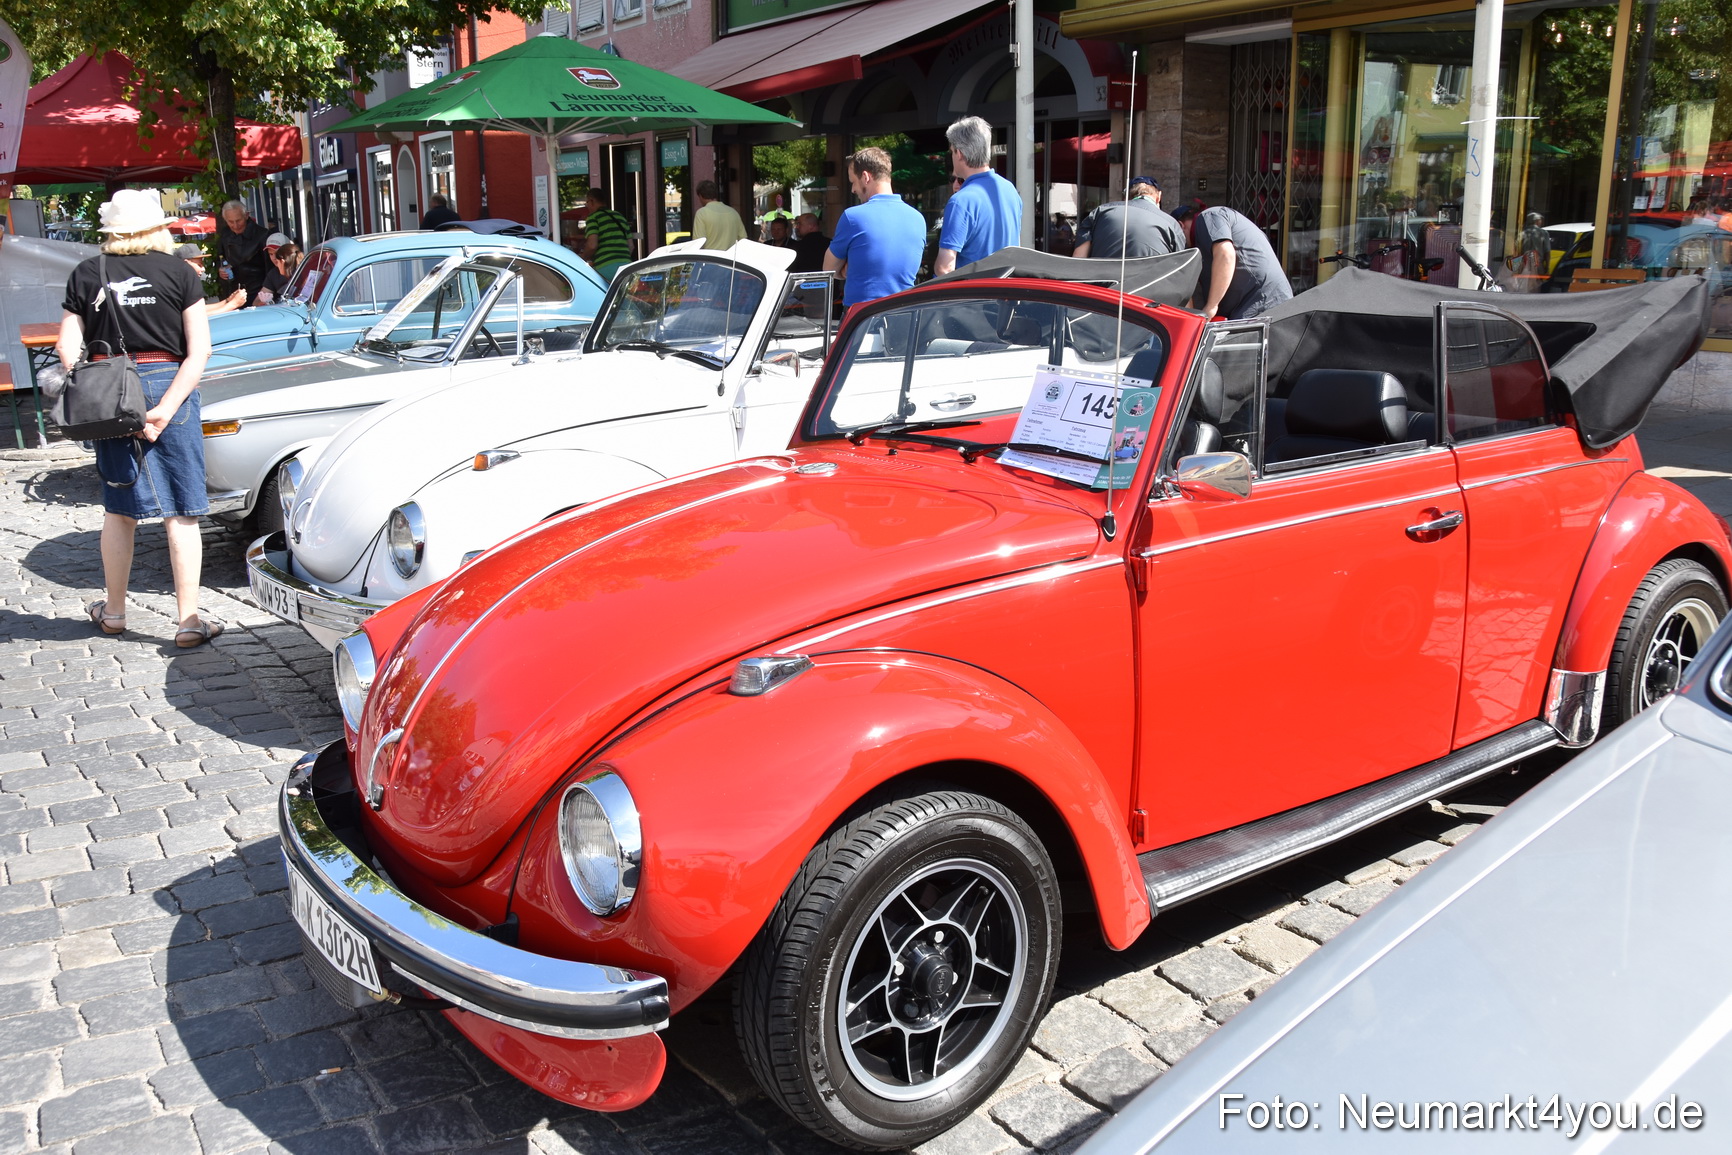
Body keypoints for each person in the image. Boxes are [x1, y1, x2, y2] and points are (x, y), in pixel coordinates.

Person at [57, 189, 222, 647]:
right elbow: (200, 351)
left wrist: (92, 385)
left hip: (113, 387)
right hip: (171, 381)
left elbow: (66, 346)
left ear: (110, 230)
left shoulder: (89, 273)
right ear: (157, 227)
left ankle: (113, 612)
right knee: (183, 512)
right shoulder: (179, 272)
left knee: (119, 509)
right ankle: (188, 622)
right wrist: (165, 409)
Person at [824, 147, 926, 310]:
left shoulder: (853, 217)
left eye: (853, 182)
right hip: (904, 314)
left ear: (865, 177)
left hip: (862, 315)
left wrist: (847, 271)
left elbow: (828, 270)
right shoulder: (918, 219)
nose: (853, 189)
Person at [934, 116, 1022, 275]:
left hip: (973, 296)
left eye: (951, 151)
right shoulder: (1010, 191)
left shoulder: (961, 201)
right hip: (1005, 293)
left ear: (959, 153)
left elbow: (944, 268)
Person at [1188, 204, 1293, 319]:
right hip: (1264, 299)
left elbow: (1225, 255)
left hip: (1261, 300)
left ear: (1180, 225)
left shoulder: (1209, 216)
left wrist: (1211, 307)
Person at [1072, 177, 1184, 260]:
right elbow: (1178, 266)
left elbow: (1079, 258)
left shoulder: (1100, 212)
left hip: (1103, 288)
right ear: (1159, 196)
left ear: (1128, 196)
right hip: (1148, 288)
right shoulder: (1171, 223)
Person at [216, 200, 272, 306]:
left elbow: (270, 268)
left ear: (246, 216)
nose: (235, 225)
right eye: (230, 222)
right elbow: (220, 256)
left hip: (257, 290)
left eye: (238, 220)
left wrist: (265, 293)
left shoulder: (262, 235)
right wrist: (220, 269)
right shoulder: (225, 234)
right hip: (234, 290)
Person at [177, 244, 245, 315]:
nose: (203, 269)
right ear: (186, 263)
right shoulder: (177, 287)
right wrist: (233, 304)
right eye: (199, 265)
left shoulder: (185, 284)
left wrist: (227, 301)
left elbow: (199, 308)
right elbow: (195, 315)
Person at [581, 188, 633, 281]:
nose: (587, 206)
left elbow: (592, 245)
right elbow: (631, 246)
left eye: (587, 202)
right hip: (626, 266)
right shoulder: (619, 216)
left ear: (592, 201)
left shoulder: (593, 217)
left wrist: (582, 258)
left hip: (605, 267)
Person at [691, 180, 748, 251]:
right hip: (730, 260)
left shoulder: (702, 214)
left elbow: (698, 244)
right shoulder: (734, 213)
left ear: (700, 196)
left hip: (709, 259)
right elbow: (743, 239)